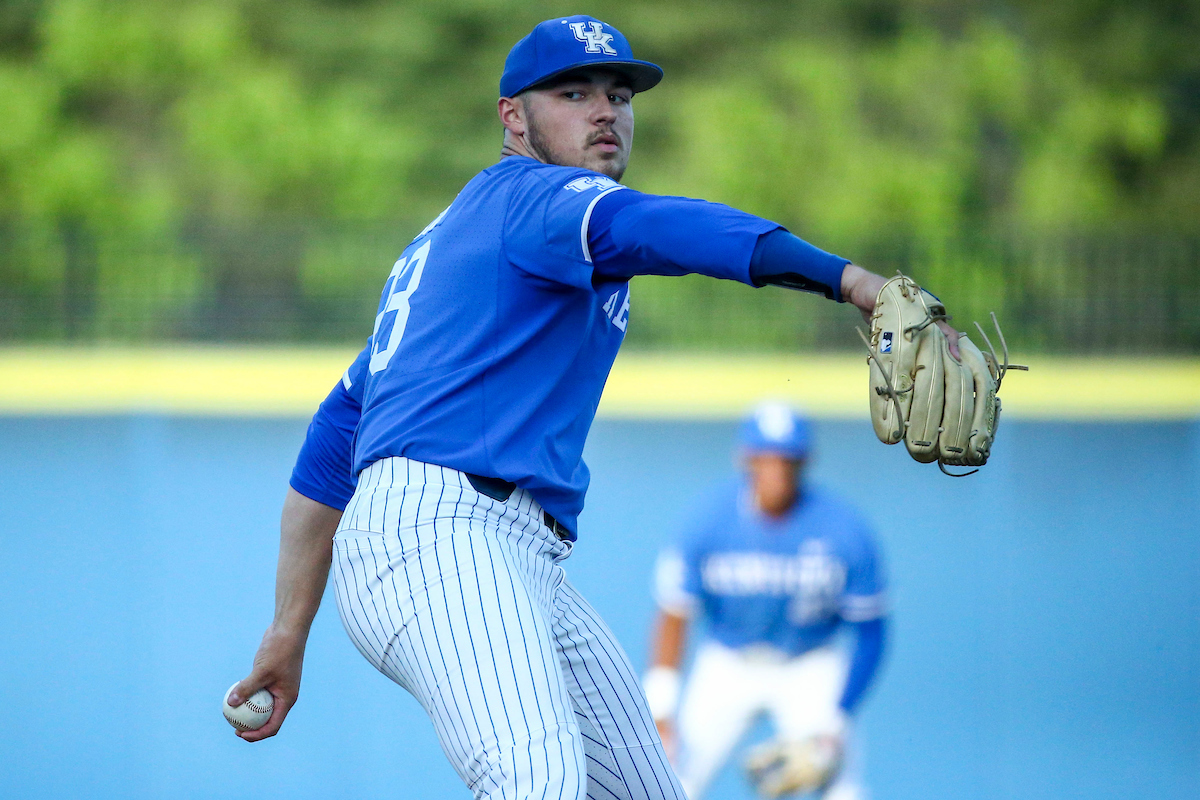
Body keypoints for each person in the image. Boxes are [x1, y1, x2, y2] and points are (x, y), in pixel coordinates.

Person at [227, 15, 954, 800]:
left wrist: (288, 631)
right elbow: (659, 226)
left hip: (505, 552)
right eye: (572, 93)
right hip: (441, 534)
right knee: (537, 782)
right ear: (513, 115)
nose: (605, 111)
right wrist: (852, 280)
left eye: (618, 94)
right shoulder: (535, 198)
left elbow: (336, 436)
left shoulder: (464, 240)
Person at [645, 403, 887, 800]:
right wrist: (661, 706)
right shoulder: (707, 520)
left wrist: (836, 718)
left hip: (809, 665)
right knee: (669, 782)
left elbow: (872, 633)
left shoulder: (845, 529)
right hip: (727, 663)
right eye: (766, 458)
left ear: (804, 462)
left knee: (843, 790)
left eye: (787, 460)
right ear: (746, 459)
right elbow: (674, 613)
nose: (776, 471)